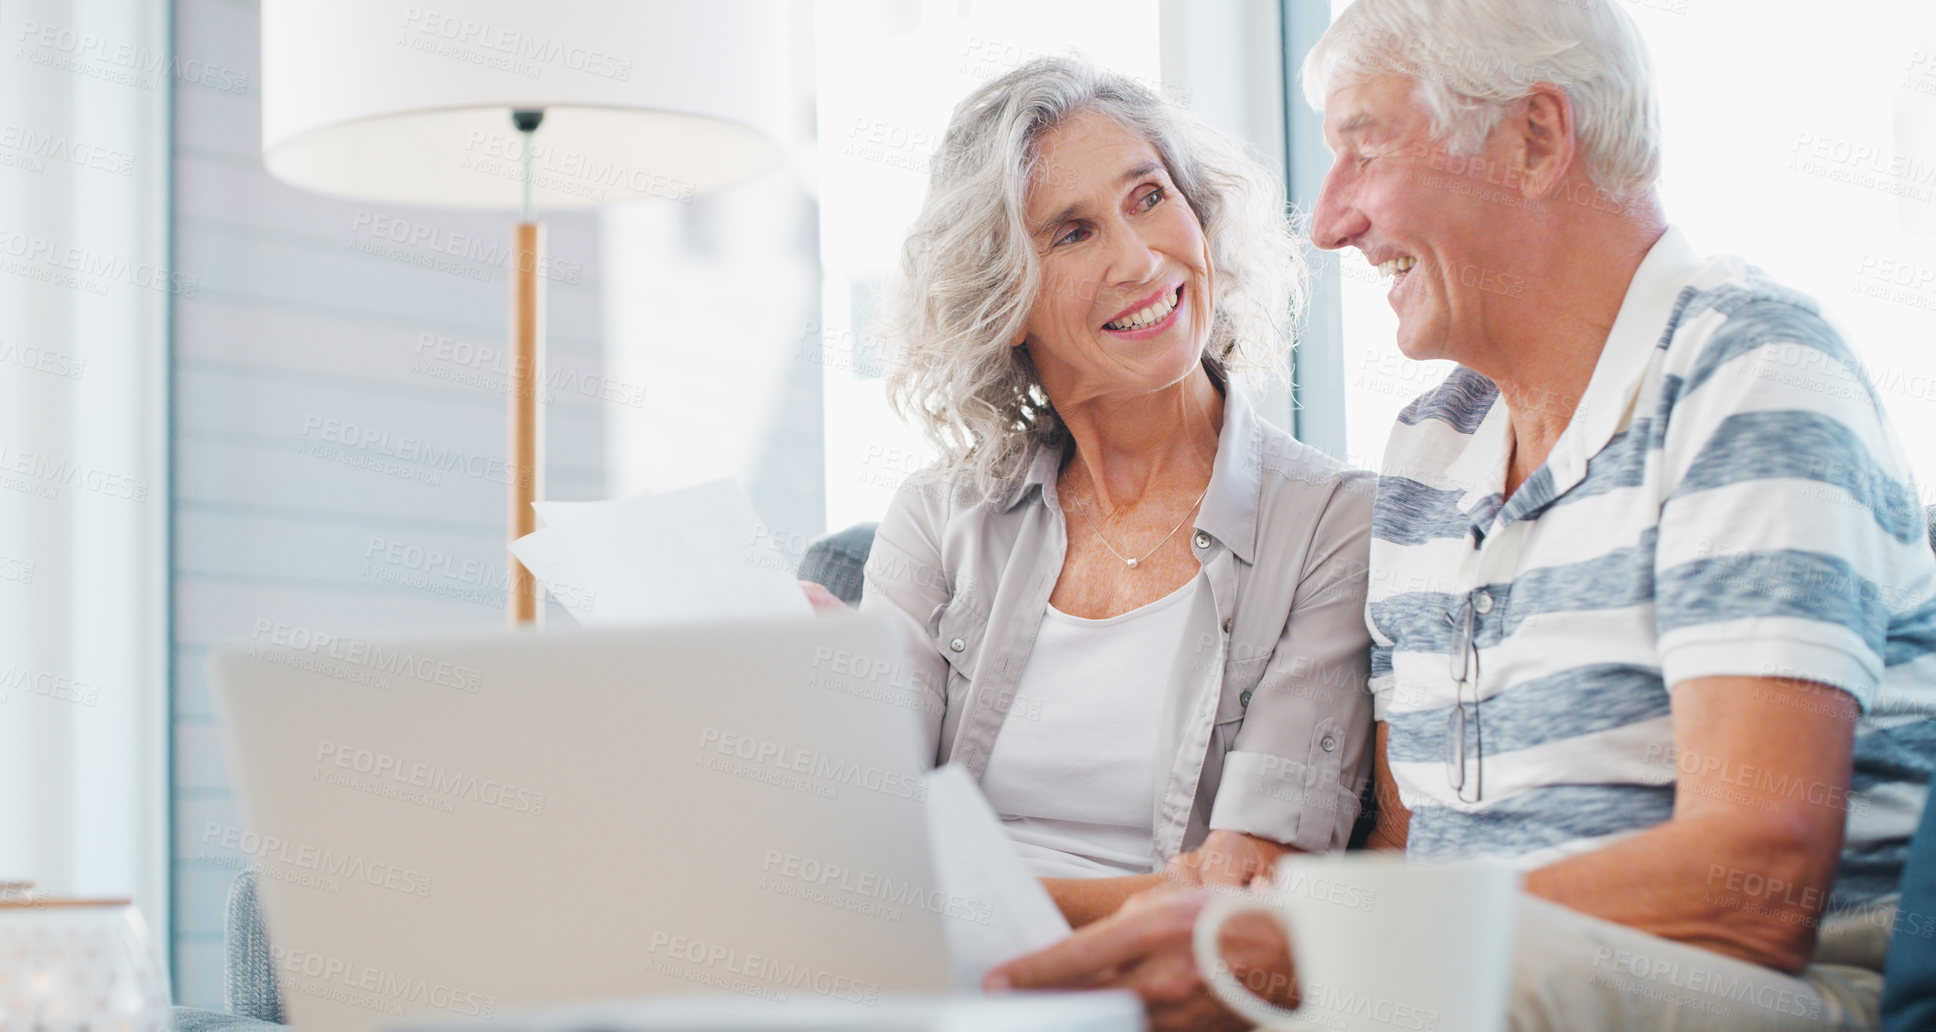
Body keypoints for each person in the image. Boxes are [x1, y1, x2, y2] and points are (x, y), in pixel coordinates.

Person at [986, 1, 1936, 1029]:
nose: (1330, 219)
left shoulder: (1748, 373)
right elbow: (1408, 855)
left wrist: (1321, 945)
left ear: (1533, 140)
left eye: (1363, 148)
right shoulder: (1431, 450)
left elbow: (1752, 887)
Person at [859, 56, 1379, 926]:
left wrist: (956, 893)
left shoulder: (1333, 525)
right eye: (1072, 233)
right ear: (1006, 301)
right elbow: (861, 842)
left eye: (1149, 198)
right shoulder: (938, 518)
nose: (1140, 260)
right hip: (928, 985)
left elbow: (1248, 904)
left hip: (1155, 993)